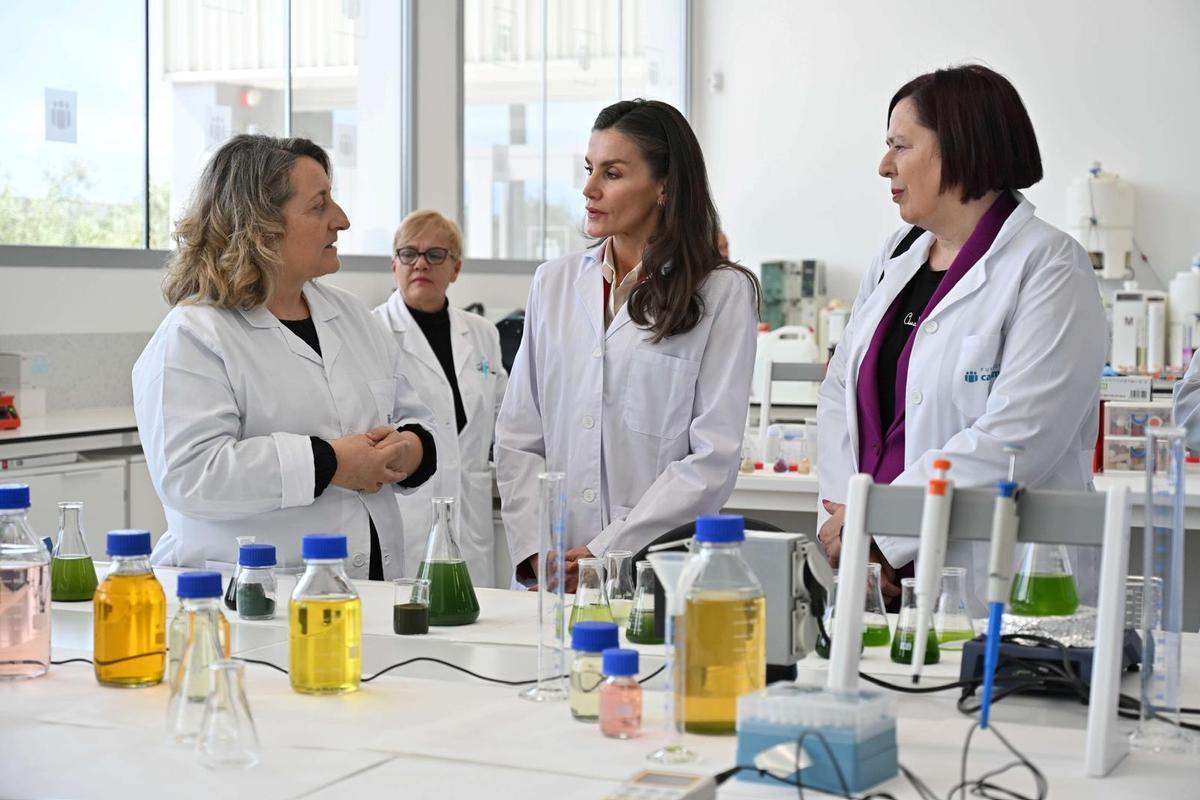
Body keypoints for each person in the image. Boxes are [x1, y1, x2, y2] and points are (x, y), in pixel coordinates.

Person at [816, 65, 1105, 613]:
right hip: (876, 574)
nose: (884, 166)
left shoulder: (1049, 264)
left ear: (960, 148)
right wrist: (848, 526)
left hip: (1000, 579)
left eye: (900, 146)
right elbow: (838, 396)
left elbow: (1020, 438)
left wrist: (880, 525)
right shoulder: (895, 256)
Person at [133, 134, 437, 579]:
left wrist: (410, 449)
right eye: (319, 206)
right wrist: (331, 463)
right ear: (260, 226)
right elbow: (192, 474)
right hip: (249, 597)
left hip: (369, 588)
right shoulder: (194, 335)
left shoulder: (351, 316)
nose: (342, 220)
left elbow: (415, 417)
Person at [496, 98, 761, 589]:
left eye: (612, 173)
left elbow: (712, 458)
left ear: (664, 186)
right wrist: (539, 550)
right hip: (551, 576)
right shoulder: (552, 284)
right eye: (589, 169)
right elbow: (518, 435)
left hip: (652, 570)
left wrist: (607, 552)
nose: (589, 188)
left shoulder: (722, 292)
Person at [373, 210, 508, 588]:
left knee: (475, 627)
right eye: (408, 253)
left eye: (435, 254)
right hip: (408, 515)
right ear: (394, 265)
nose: (421, 264)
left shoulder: (482, 335)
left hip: (471, 516)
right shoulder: (372, 332)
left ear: (456, 268)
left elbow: (506, 416)